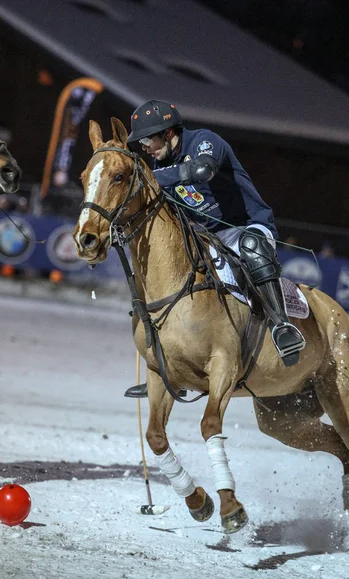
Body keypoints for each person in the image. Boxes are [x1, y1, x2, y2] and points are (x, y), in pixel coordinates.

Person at [124, 100, 305, 397]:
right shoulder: (158, 162)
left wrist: (150, 178)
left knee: (251, 246)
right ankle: (166, 366)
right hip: (207, 237)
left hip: (247, 227)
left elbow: (202, 170)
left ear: (168, 132)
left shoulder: (205, 141)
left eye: (147, 140)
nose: (145, 148)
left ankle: (282, 326)